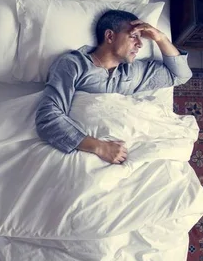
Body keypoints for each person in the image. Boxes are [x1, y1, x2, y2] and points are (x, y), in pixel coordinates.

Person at [35, 9, 193, 164]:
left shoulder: (134, 72)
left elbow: (180, 75)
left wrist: (161, 38)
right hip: (89, 151)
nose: (140, 44)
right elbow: (48, 117)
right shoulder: (74, 64)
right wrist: (99, 147)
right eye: (133, 37)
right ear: (110, 36)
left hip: (128, 152)